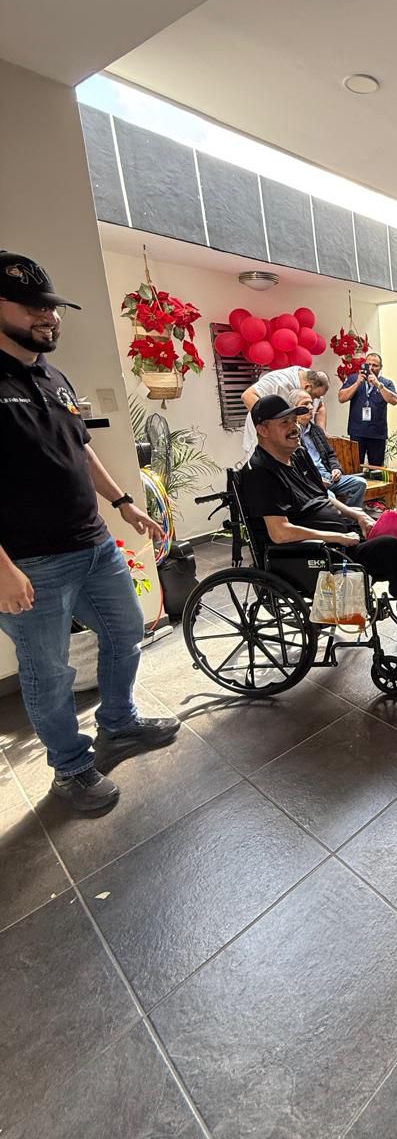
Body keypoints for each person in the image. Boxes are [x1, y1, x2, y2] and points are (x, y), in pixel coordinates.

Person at [0, 251, 178, 813]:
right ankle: (71, 767)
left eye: (51, 308)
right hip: (28, 563)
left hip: (93, 544)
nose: (48, 317)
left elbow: (80, 449)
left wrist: (123, 502)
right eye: (33, 307)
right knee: (48, 671)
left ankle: (119, 722)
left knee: (126, 631)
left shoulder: (54, 376)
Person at [242, 396, 397, 662]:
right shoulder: (259, 473)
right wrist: (338, 536)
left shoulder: (297, 455)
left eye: (293, 420)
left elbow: (324, 496)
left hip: (340, 539)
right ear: (262, 430)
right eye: (284, 422)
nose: (294, 427)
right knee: (389, 548)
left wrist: (356, 514)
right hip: (312, 556)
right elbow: (280, 532)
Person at [288, 389, 367, 506]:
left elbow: (330, 454)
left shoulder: (316, 430)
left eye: (311, 403)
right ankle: (337, 523)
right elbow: (294, 465)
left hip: (329, 476)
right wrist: (316, 479)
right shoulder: (291, 434)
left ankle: (350, 522)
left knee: (360, 483)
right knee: (330, 497)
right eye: (305, 404)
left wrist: (337, 469)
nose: (310, 407)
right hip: (311, 481)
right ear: (294, 408)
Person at [241, 365, 328, 459]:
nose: (314, 401)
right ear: (307, 387)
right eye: (315, 396)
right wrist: (272, 428)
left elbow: (320, 405)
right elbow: (247, 396)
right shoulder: (278, 381)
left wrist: (322, 432)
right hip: (263, 439)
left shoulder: (313, 378)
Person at [337, 351, 397, 467]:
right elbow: (341, 398)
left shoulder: (386, 383)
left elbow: (394, 400)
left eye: (375, 365)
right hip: (357, 432)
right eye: (368, 364)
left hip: (377, 433)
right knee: (355, 467)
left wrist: (378, 385)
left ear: (381, 368)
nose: (371, 368)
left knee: (376, 469)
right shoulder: (354, 378)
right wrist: (357, 383)